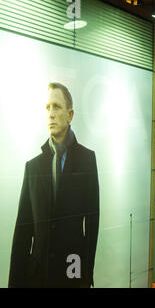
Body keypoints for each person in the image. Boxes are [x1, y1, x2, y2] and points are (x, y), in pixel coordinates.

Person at [9, 83, 99, 288]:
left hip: (72, 270)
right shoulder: (33, 167)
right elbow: (23, 229)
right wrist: (15, 281)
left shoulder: (86, 159)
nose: (50, 114)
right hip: (37, 275)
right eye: (47, 107)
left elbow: (93, 221)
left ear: (70, 114)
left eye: (56, 107)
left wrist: (86, 274)